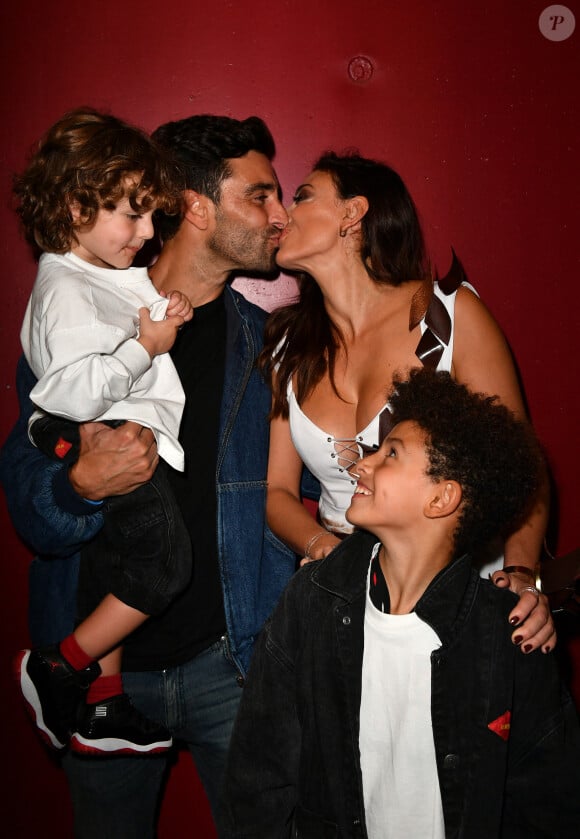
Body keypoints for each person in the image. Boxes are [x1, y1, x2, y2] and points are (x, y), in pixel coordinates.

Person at [0, 114, 294, 838]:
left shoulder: (268, 350)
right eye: (260, 196)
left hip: (229, 667)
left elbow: (294, 502)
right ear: (196, 207)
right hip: (104, 676)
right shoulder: (76, 323)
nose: (279, 216)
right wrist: (79, 485)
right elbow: (29, 510)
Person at [219, 368, 580, 838]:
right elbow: (257, 775)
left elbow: (549, 802)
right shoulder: (311, 604)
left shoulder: (506, 634)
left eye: (391, 454)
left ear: (442, 498)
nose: (359, 465)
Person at [260, 150, 554, 653]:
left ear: (353, 214)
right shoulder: (291, 346)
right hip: (347, 601)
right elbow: (279, 494)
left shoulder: (450, 316)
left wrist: (522, 573)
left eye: (303, 196)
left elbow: (521, 468)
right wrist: (331, 555)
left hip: (457, 592)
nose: (284, 213)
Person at [13, 107, 194, 758]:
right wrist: (144, 348)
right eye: (131, 212)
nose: (147, 232)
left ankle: (102, 699)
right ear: (73, 205)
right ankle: (59, 665)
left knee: (122, 566)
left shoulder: (94, 276)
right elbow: (68, 387)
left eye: (152, 216)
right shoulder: (63, 287)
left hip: (124, 433)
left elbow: (116, 331)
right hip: (102, 437)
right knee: (165, 564)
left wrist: (158, 315)